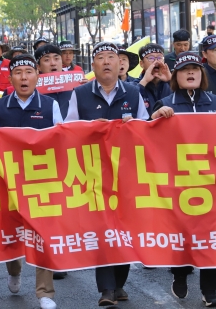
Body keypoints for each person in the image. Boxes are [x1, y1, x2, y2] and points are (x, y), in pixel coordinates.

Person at [64, 42, 148, 307]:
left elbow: (146, 130)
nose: (107, 62)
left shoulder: (133, 93)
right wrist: (90, 128)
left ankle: (119, 284)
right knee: (102, 228)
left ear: (120, 63)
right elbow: (68, 130)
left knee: (124, 228)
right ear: (94, 65)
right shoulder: (80, 94)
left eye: (112, 57)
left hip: (127, 171)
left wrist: (132, 127)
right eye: (101, 58)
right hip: (93, 172)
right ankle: (106, 289)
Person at [151, 52, 216, 307]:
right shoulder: (165, 101)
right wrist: (156, 117)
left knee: (211, 234)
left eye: (195, 69)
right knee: (182, 232)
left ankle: (210, 290)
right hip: (178, 181)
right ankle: (180, 274)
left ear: (202, 74)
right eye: (185, 70)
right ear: (176, 76)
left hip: (210, 180)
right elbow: (146, 138)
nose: (191, 73)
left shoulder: (214, 100)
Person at [0, 54, 62, 309]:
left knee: (43, 234)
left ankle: (45, 293)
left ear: (37, 77)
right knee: (13, 233)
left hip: (41, 181)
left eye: (29, 73)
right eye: (18, 73)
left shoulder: (50, 105)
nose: (24, 78)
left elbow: (61, 141)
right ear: (10, 79)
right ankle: (14, 270)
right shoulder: (0, 106)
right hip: (9, 182)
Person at [134, 43, 173, 117]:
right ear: (141, 64)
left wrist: (171, 81)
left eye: (159, 58)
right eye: (151, 58)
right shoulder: (134, 85)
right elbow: (130, 102)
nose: (156, 62)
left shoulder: (169, 83)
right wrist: (144, 81)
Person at [35, 44, 72, 119]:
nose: (53, 63)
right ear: (38, 67)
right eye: (47, 60)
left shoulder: (75, 84)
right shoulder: (33, 90)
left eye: (56, 59)